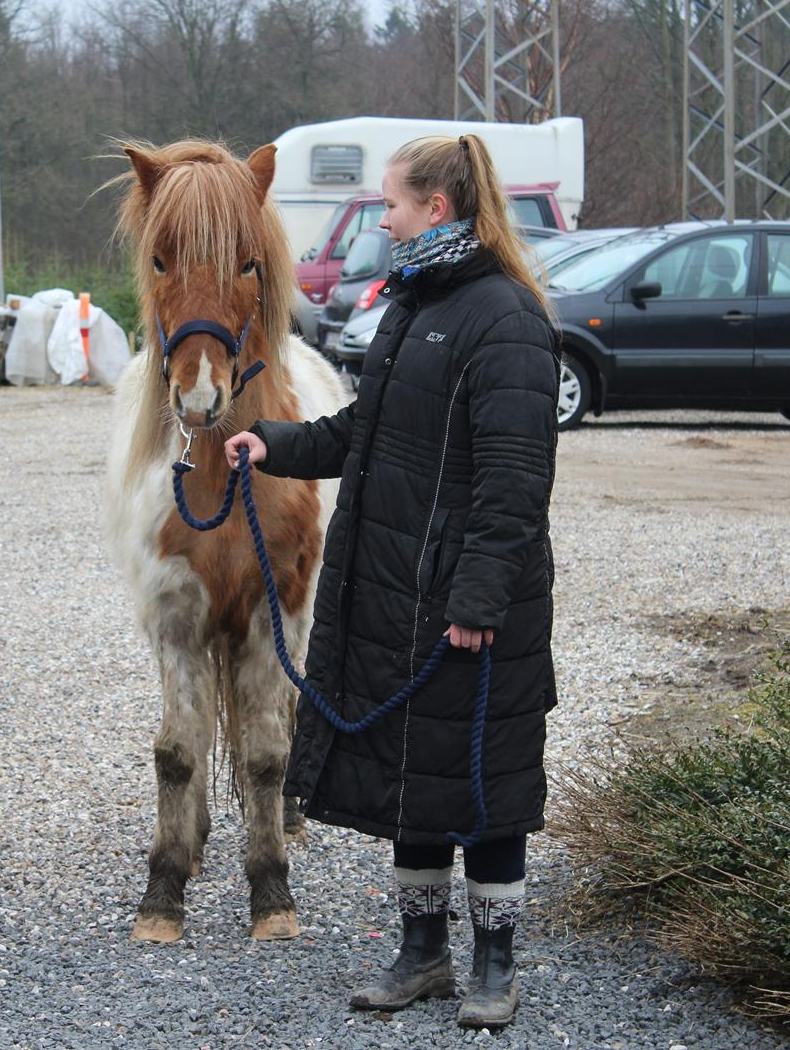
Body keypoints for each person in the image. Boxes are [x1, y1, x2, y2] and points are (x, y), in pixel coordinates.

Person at [224, 134, 559, 1029]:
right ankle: (422, 957)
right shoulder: (417, 305)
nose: (384, 217)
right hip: (396, 598)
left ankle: (494, 967)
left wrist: (480, 601)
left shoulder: (507, 320)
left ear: (436, 210)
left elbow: (514, 485)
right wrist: (277, 445)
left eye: (393, 204)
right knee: (415, 776)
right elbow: (367, 430)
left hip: (470, 607)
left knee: (485, 784)